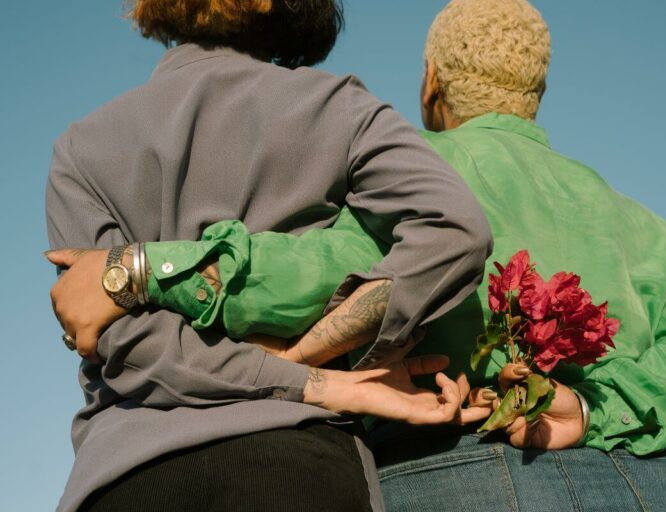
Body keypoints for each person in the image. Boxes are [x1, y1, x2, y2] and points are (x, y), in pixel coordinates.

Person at [50, 0, 666, 510]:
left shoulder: (408, 177)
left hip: (454, 474)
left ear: (431, 83)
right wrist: (590, 411)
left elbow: (318, 274)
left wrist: (143, 271)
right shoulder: (653, 229)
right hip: (657, 485)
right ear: (537, 92)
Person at [44, 1, 495, 511]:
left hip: (123, 473)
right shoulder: (335, 107)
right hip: (294, 460)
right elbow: (454, 228)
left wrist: (296, 375)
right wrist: (312, 375)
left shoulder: (80, 150)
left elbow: (123, 344)